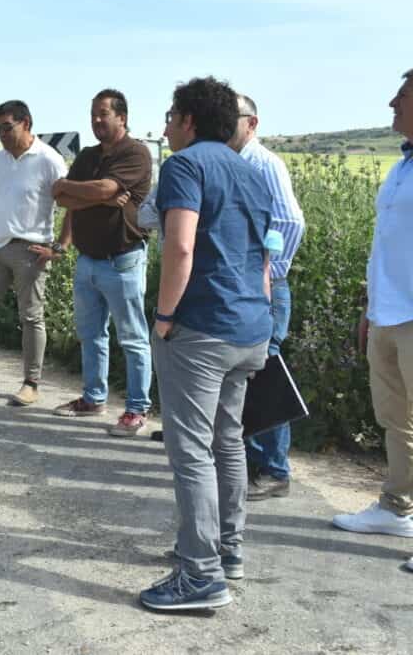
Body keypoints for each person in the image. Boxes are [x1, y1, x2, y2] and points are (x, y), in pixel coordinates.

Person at [141, 77, 275, 611]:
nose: (168, 126)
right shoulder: (252, 171)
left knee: (191, 450)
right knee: (228, 442)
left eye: (171, 116)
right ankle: (228, 551)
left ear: (190, 121)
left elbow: (180, 246)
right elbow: (267, 258)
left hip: (201, 327)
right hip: (249, 327)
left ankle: (200, 575)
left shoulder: (185, 165)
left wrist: (165, 316)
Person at [332, 70, 413, 575]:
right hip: (389, 312)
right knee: (396, 420)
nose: (391, 102)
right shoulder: (401, 167)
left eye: (402, 96)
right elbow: (389, 246)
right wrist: (370, 306)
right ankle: (397, 507)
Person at [50, 89, 154, 437]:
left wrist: (82, 190)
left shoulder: (135, 153)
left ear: (122, 117)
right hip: (88, 260)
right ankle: (94, 399)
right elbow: (63, 195)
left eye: (103, 114)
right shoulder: (89, 155)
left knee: (132, 338)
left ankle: (137, 410)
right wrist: (92, 193)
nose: (96, 120)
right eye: (93, 114)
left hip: (122, 259)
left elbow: (100, 189)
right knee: (91, 334)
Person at [0, 100, 69, 406]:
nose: (1, 135)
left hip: (32, 250)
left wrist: (59, 247)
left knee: (31, 317)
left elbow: (72, 204)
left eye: (7, 127)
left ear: (26, 124)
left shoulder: (49, 159)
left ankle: (31, 383)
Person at [227, 94, 306, 501]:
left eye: (232, 116)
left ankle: (275, 470)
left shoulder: (263, 163)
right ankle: (254, 462)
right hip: (246, 287)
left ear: (251, 122)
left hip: (264, 289)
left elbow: (291, 221)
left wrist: (268, 273)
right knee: (248, 372)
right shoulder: (233, 161)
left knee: (264, 374)